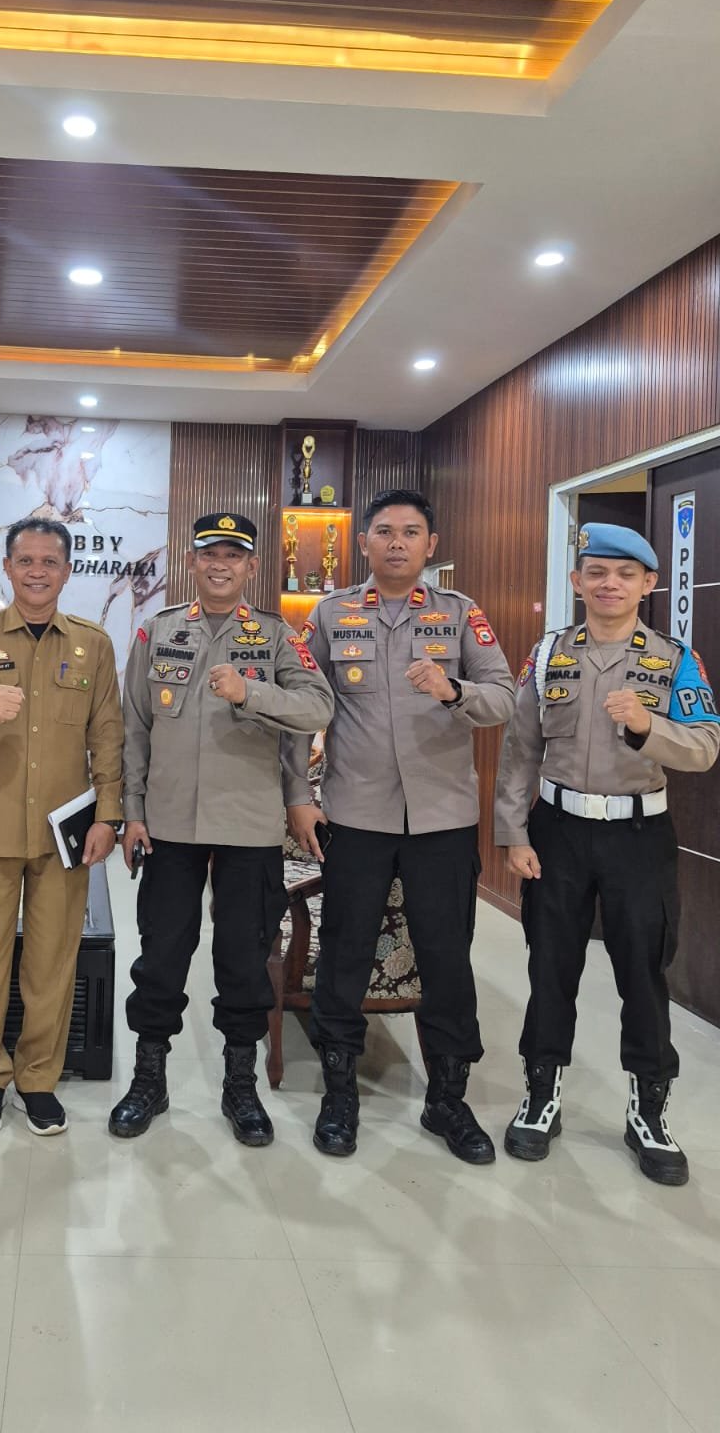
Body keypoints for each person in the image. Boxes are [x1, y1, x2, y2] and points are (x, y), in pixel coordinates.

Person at [495, 522, 718, 1186]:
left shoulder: (674, 659)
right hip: (558, 831)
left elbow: (706, 747)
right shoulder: (549, 654)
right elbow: (520, 749)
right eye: (597, 572)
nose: (610, 584)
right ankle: (541, 1096)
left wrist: (649, 727)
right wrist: (513, 831)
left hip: (638, 837)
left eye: (625, 574)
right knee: (550, 967)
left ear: (649, 584)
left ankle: (648, 1112)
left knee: (643, 975)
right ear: (577, 581)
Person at [296, 488, 514, 1164]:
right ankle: (340, 1092)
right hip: (356, 815)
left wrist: (454, 691)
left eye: (410, 532)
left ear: (430, 545)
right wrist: (297, 795)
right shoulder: (331, 614)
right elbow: (300, 701)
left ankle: (447, 1098)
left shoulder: (461, 614)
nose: (396, 542)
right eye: (384, 531)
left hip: (442, 819)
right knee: (344, 952)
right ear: (362, 542)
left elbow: (504, 697)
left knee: (446, 957)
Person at [110, 512, 334, 1147]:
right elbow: (134, 728)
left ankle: (241, 1085)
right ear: (192, 561)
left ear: (251, 567)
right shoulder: (157, 631)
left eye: (233, 556)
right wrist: (133, 810)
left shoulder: (275, 635)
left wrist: (249, 693)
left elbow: (318, 707)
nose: (220, 565)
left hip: (247, 824)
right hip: (169, 824)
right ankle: (149, 1079)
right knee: (160, 956)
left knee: (242, 959)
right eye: (210, 553)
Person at [0, 517, 123, 1139]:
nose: (37, 572)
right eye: (26, 561)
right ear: (7, 568)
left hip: (64, 834)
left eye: (50, 561)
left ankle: (38, 1079)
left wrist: (109, 815)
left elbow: (108, 737)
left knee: (51, 963)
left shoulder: (93, 644)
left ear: (67, 571)